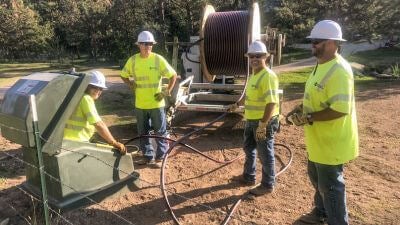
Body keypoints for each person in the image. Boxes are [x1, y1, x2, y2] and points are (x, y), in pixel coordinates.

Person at [287, 20, 359, 225]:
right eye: (312, 41)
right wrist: (301, 109)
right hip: (318, 139)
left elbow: (339, 109)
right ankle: (321, 212)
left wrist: (309, 118)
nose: (313, 45)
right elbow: (316, 95)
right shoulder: (321, 65)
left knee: (331, 186)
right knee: (317, 178)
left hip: (331, 141)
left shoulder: (339, 70)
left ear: (332, 43)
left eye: (317, 42)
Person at [230, 40, 280, 197]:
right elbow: (248, 95)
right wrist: (237, 104)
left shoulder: (268, 76)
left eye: (258, 56)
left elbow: (271, 103)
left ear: (265, 57)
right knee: (249, 148)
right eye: (251, 56)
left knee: (265, 153)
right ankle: (249, 176)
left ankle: (267, 184)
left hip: (263, 122)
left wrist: (263, 124)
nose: (254, 59)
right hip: (251, 120)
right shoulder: (254, 75)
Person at [120, 31, 177, 166]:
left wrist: (166, 91)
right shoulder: (133, 60)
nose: (147, 46)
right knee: (143, 133)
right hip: (140, 104)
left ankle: (160, 158)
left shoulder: (158, 59)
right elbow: (123, 74)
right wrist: (130, 84)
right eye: (144, 44)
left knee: (160, 132)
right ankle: (148, 157)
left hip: (157, 104)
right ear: (139, 45)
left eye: (150, 44)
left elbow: (173, 75)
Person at [64, 70, 126, 154]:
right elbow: (98, 124)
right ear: (86, 86)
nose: (98, 91)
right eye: (94, 87)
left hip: (66, 141)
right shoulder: (86, 98)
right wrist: (113, 142)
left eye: (101, 88)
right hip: (78, 142)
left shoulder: (74, 96)